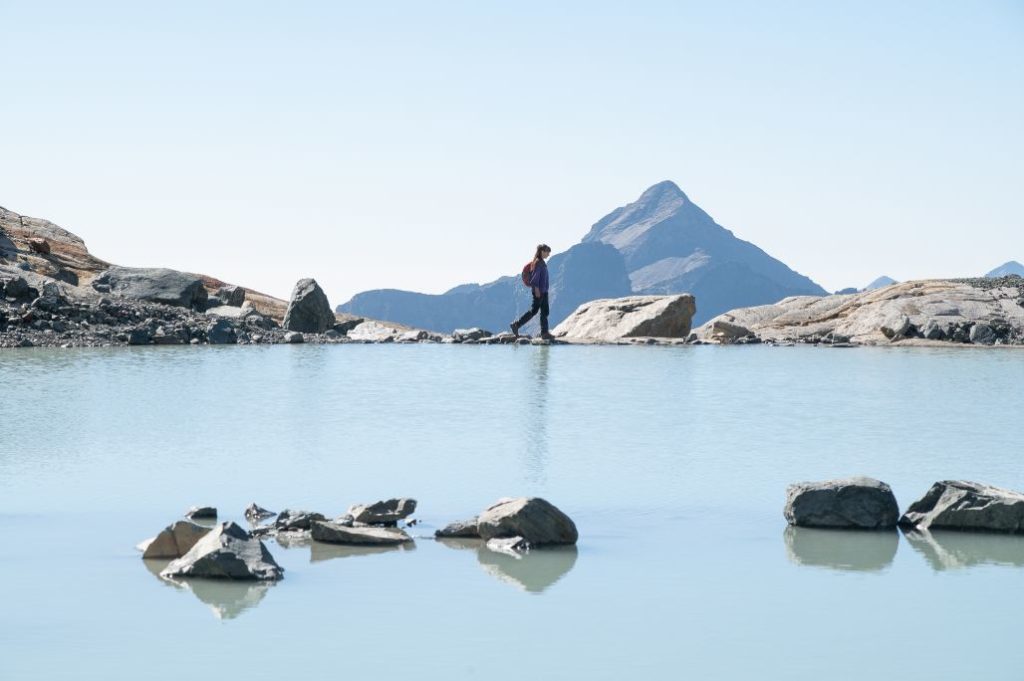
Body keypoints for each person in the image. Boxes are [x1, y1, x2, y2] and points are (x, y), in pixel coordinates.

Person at [511, 244, 553, 340]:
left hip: (544, 291)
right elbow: (534, 279)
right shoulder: (538, 263)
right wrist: (537, 290)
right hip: (539, 292)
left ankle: (544, 333)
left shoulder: (541, 262)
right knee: (534, 311)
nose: (548, 254)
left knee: (544, 311)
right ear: (542, 251)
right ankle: (516, 325)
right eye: (547, 252)